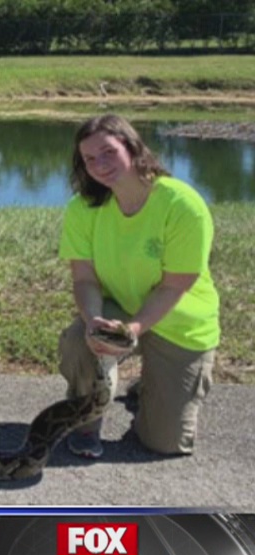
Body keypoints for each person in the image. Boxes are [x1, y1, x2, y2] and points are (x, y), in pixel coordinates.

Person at [57, 114, 219, 459]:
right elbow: (84, 279)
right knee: (79, 342)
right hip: (119, 308)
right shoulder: (83, 208)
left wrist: (133, 329)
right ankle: (85, 423)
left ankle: (145, 390)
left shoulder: (182, 205)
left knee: (165, 443)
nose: (100, 164)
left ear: (132, 147)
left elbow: (176, 286)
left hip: (180, 322)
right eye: (89, 159)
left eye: (108, 152)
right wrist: (92, 322)